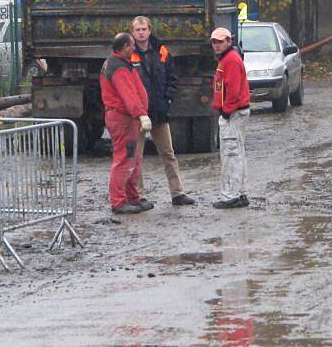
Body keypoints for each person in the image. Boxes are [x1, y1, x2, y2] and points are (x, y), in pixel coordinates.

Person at [130, 16, 195, 207]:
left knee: (168, 153)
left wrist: (166, 100)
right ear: (132, 33)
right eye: (137, 30)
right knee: (136, 157)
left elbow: (171, 78)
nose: (141, 32)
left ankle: (178, 193)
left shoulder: (162, 51)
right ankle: (139, 196)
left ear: (150, 30)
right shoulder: (129, 54)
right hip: (138, 114)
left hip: (159, 111)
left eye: (144, 29)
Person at [100, 33, 151, 214]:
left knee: (133, 158)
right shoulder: (119, 67)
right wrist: (141, 114)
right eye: (131, 45)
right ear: (124, 48)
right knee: (125, 158)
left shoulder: (117, 63)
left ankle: (132, 197)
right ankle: (119, 201)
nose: (134, 48)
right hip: (123, 118)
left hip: (126, 118)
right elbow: (128, 94)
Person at [210, 27, 251, 209]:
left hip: (233, 114)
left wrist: (226, 111)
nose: (217, 45)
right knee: (237, 153)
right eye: (214, 42)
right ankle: (240, 193)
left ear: (229, 41)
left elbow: (233, 90)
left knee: (230, 154)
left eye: (221, 41)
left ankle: (231, 196)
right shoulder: (227, 59)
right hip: (235, 112)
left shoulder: (230, 60)